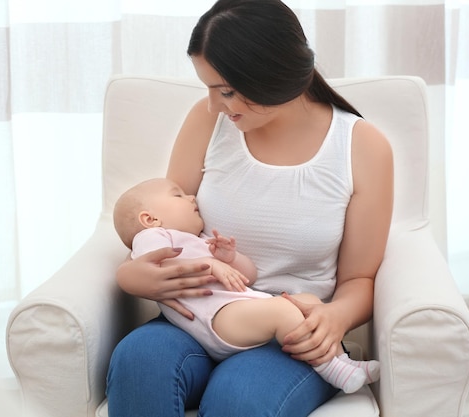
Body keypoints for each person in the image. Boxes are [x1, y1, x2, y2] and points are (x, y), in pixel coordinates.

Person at [106, 0, 393, 415]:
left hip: (288, 333)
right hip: (196, 318)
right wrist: (131, 275)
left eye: (225, 91)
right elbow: (166, 223)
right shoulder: (208, 122)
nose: (212, 106)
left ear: (274, 75)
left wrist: (335, 320)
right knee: (138, 362)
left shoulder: (362, 147)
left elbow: (359, 278)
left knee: (237, 398)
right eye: (207, 88)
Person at [113, 177, 380, 394]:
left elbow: (247, 277)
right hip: (215, 319)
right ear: (150, 219)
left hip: (239, 309)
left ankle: (344, 363)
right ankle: (330, 369)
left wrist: (230, 259)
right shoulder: (153, 236)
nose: (191, 197)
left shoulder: (198, 240)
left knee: (309, 302)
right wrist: (210, 263)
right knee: (283, 312)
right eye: (178, 195)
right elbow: (154, 266)